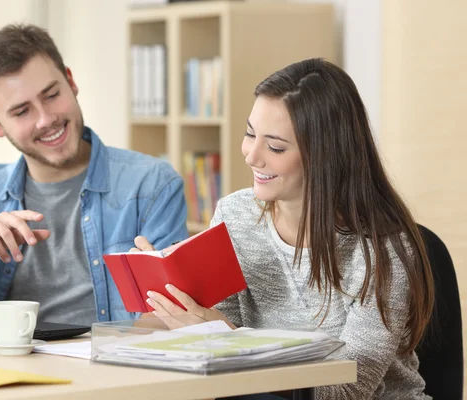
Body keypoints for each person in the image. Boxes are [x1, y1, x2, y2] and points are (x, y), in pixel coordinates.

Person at [134, 58, 435, 399]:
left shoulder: (382, 249)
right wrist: (173, 294)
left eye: (275, 147)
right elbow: (217, 337)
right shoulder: (235, 215)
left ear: (325, 156)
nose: (251, 155)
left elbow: (347, 388)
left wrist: (228, 341)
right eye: (250, 134)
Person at [0, 24, 188, 326]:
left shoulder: (152, 184)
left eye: (52, 95)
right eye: (21, 112)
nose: (46, 119)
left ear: (70, 82)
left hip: (107, 364)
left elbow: (171, 316)